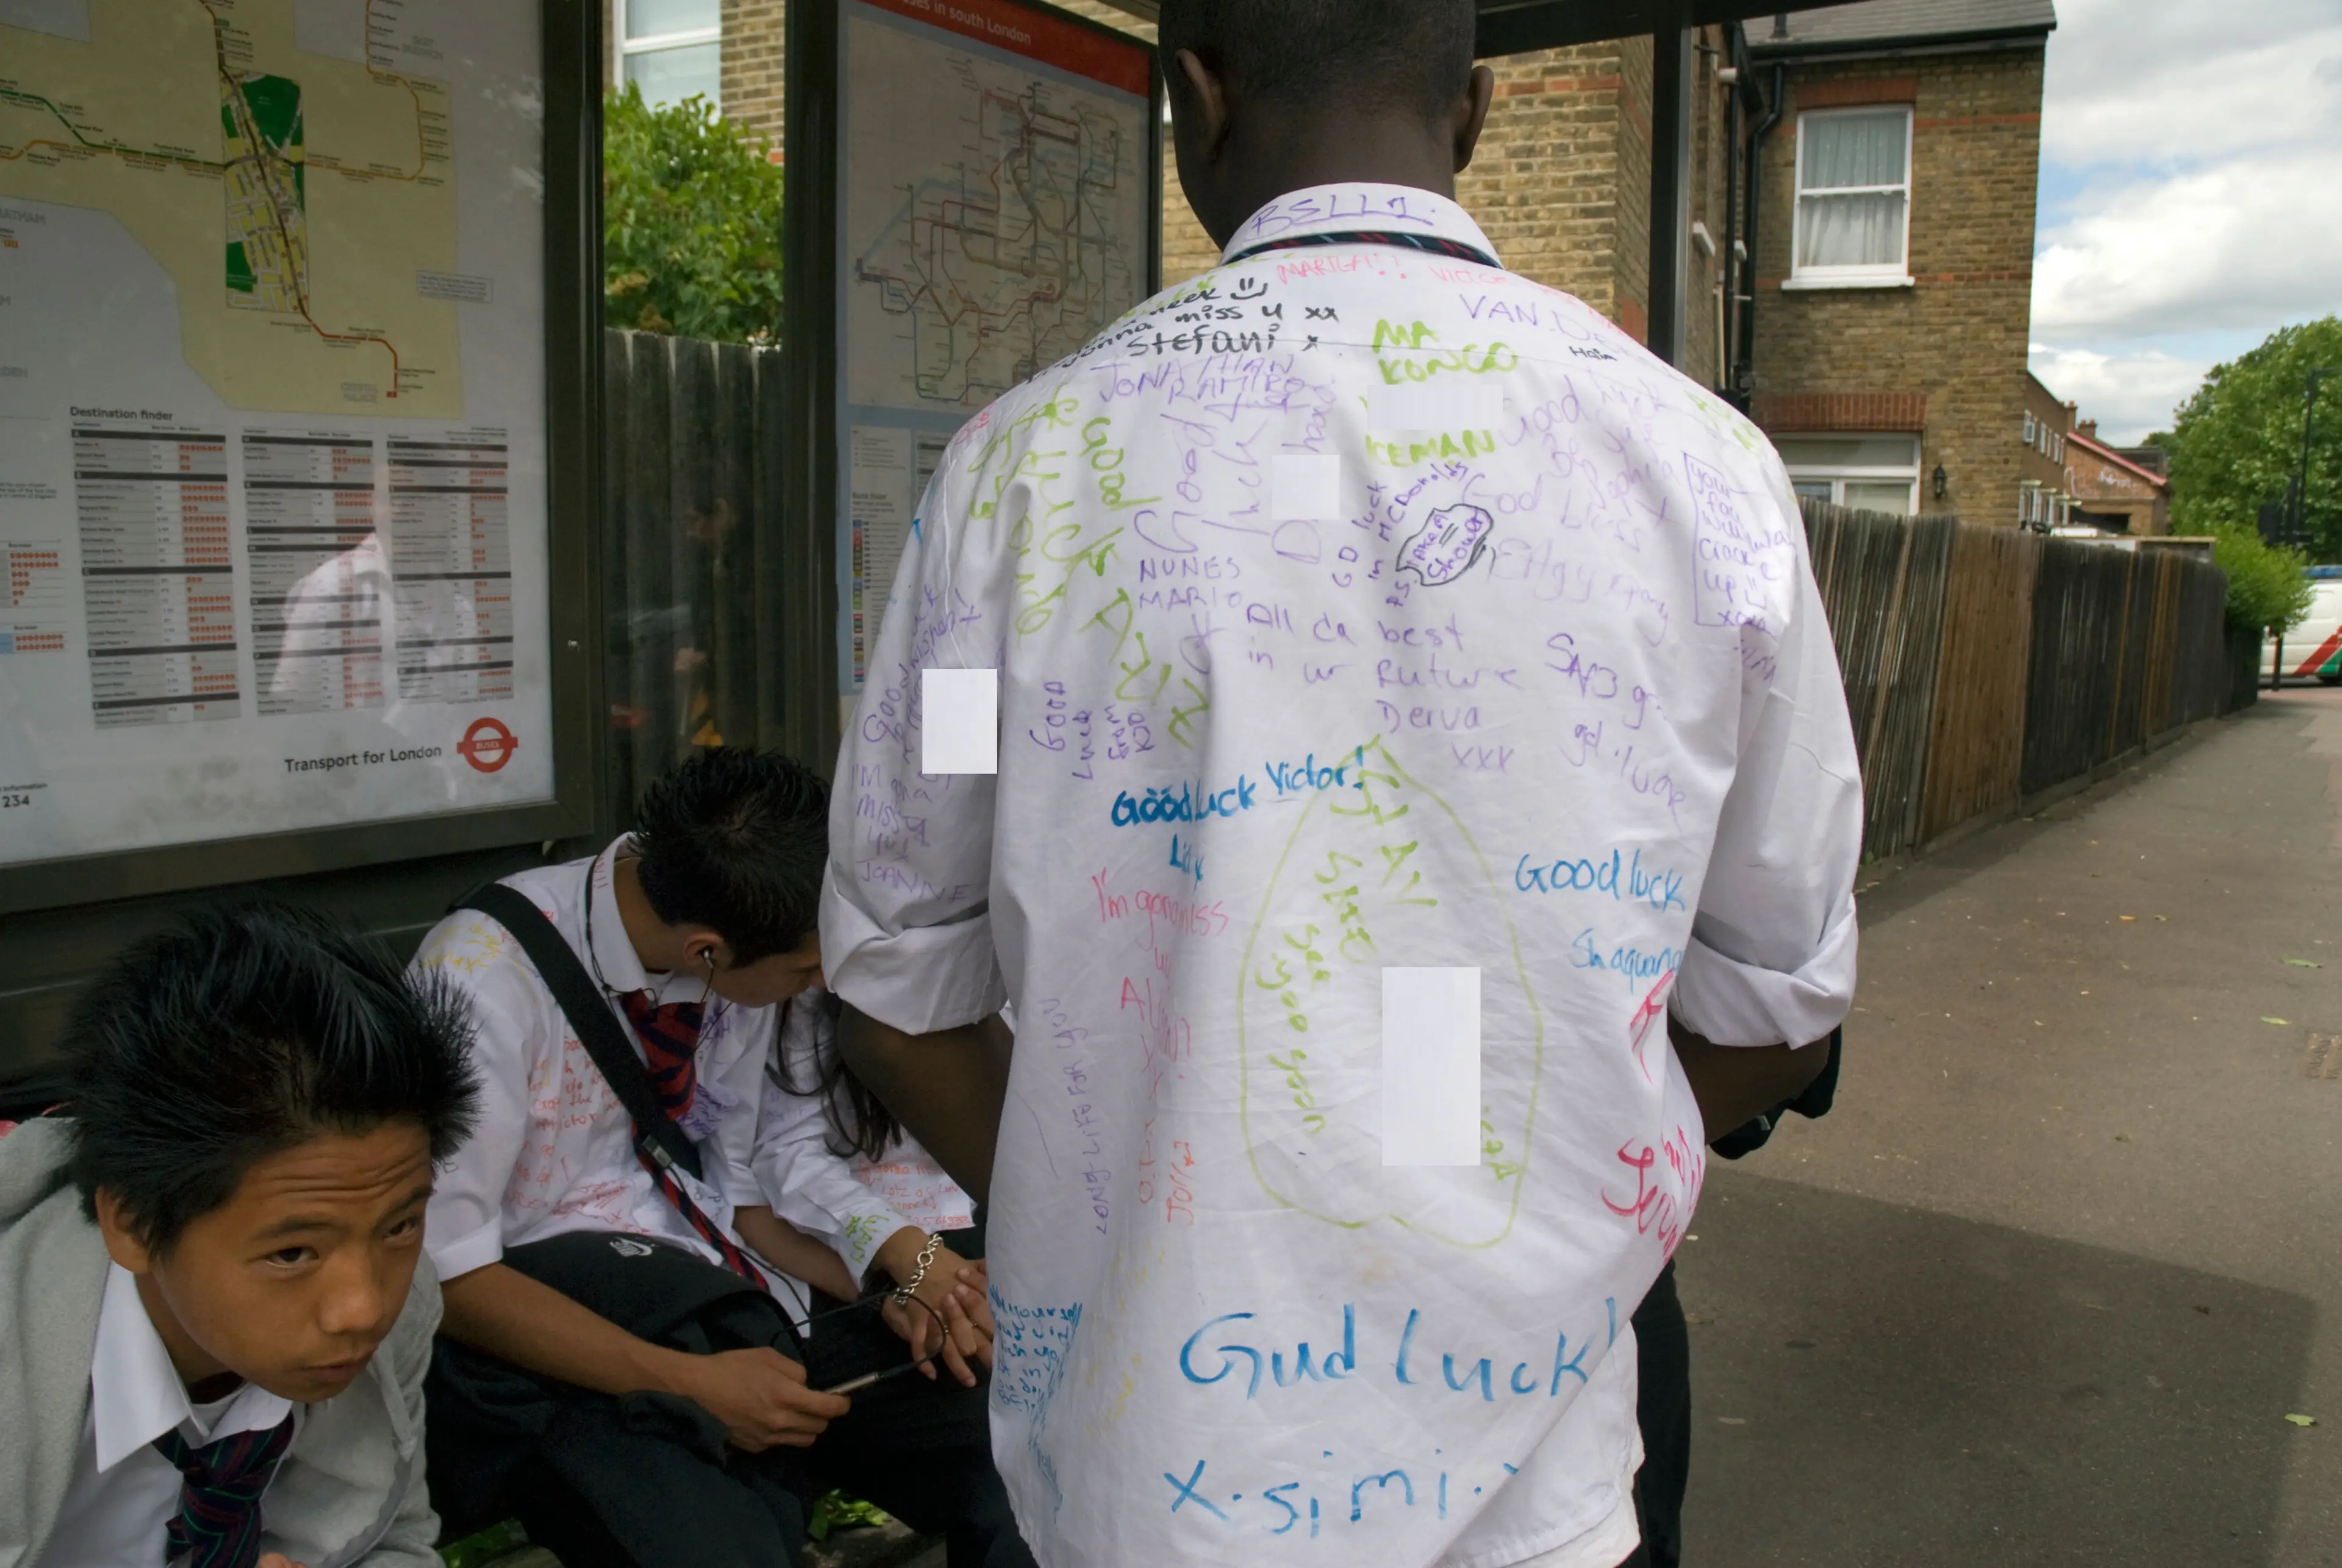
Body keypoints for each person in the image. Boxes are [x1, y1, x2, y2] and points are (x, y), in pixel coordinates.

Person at [819, 2, 1864, 1564]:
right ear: (1475, 110)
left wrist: (1103, 1196)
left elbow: (897, 975)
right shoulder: (1700, 472)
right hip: (1543, 1488)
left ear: (1192, 96)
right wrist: (1557, 1179)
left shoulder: (1011, 483)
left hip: (1146, 1484)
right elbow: (1781, 997)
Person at [413, 746, 1028, 1568]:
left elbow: (741, 1185)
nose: (820, 982)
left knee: (1027, 1443)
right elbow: (448, 1277)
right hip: (582, 1347)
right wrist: (686, 1381)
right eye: (808, 968)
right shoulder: (479, 981)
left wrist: (889, 1285)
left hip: (740, 1302)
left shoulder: (740, 936)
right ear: (708, 948)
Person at [2, 903, 479, 1568]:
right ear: (133, 1224)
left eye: (401, 1223)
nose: (364, 1308)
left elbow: (395, 1536)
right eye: (291, 1253)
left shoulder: (400, 1299)